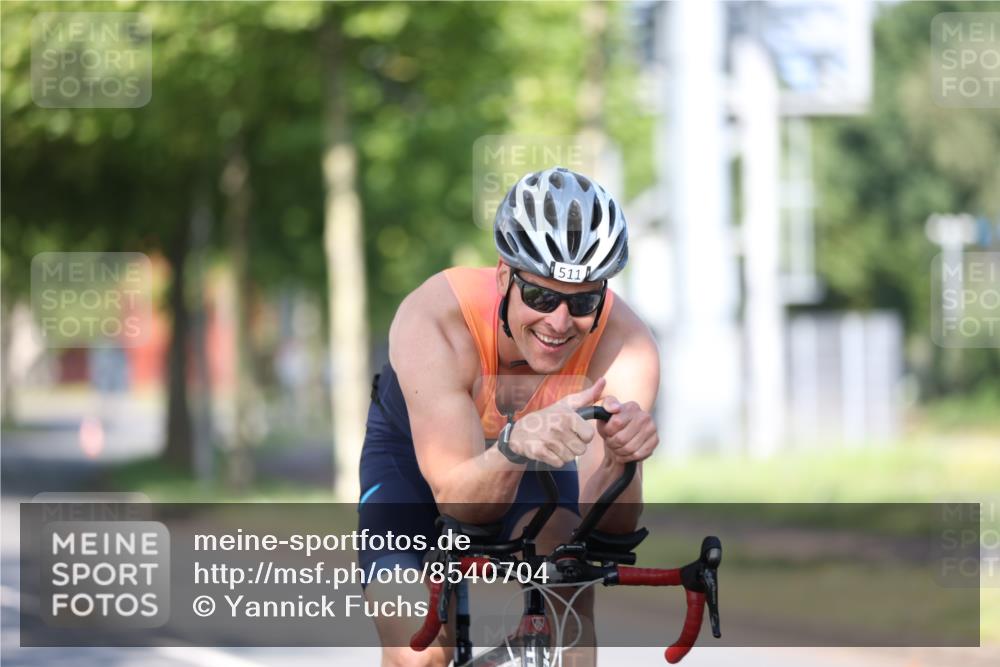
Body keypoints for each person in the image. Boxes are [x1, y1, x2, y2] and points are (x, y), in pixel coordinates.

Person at [358, 166, 660, 666]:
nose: (559, 323)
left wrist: (625, 464)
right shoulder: (435, 320)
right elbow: (459, 503)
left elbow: (609, 532)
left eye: (583, 301)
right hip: (415, 465)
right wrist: (515, 445)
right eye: (540, 297)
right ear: (504, 277)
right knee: (419, 647)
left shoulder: (627, 348)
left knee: (569, 614)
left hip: (536, 459)